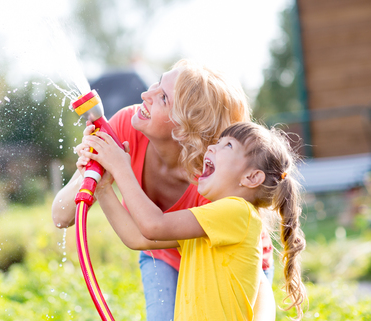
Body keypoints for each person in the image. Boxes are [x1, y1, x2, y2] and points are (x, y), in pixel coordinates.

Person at [52, 59, 275, 320]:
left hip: (220, 265)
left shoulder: (216, 181)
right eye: (156, 83)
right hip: (163, 257)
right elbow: (61, 216)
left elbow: (150, 231)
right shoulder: (127, 126)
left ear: (185, 127)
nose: (145, 94)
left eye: (163, 98)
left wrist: (119, 168)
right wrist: (96, 171)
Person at [81, 121, 307, 320]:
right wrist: (103, 188)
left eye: (228, 146)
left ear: (252, 177)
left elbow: (154, 225)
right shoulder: (210, 220)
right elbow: (137, 238)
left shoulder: (239, 212)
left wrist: (121, 167)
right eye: (218, 142)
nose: (211, 147)